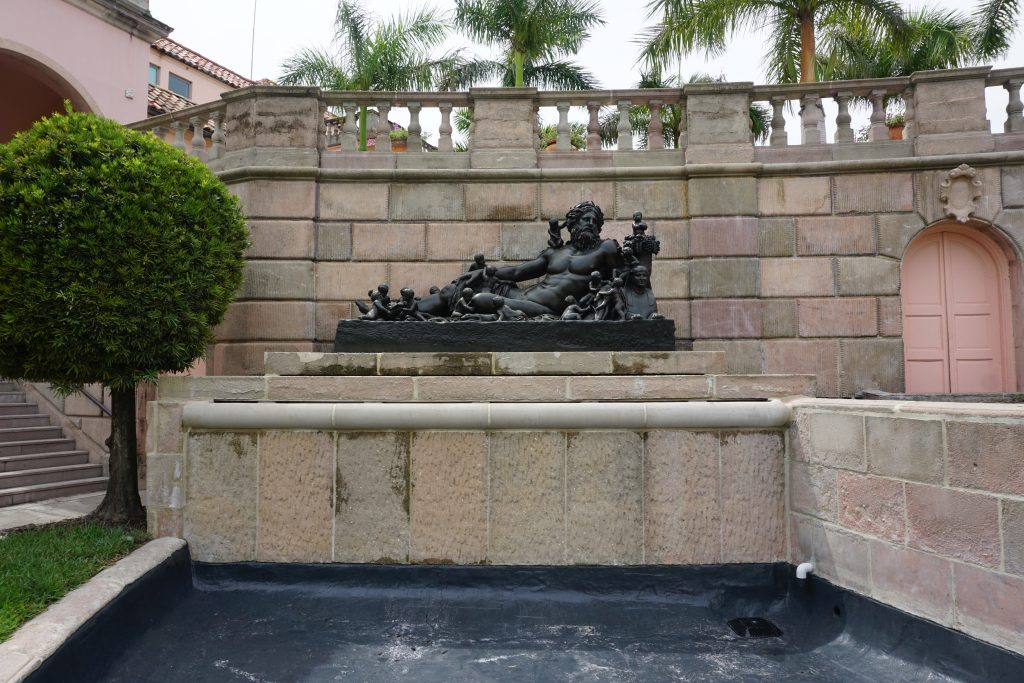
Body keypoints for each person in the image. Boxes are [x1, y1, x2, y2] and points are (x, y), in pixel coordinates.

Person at [415, 201, 622, 318]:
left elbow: (619, 280)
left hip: (544, 308)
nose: (591, 224)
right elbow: (518, 272)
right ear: (573, 224)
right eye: (586, 219)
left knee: (479, 300)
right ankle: (403, 312)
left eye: (595, 222)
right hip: (519, 294)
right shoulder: (555, 253)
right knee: (453, 290)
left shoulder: (605, 248)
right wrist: (485, 272)